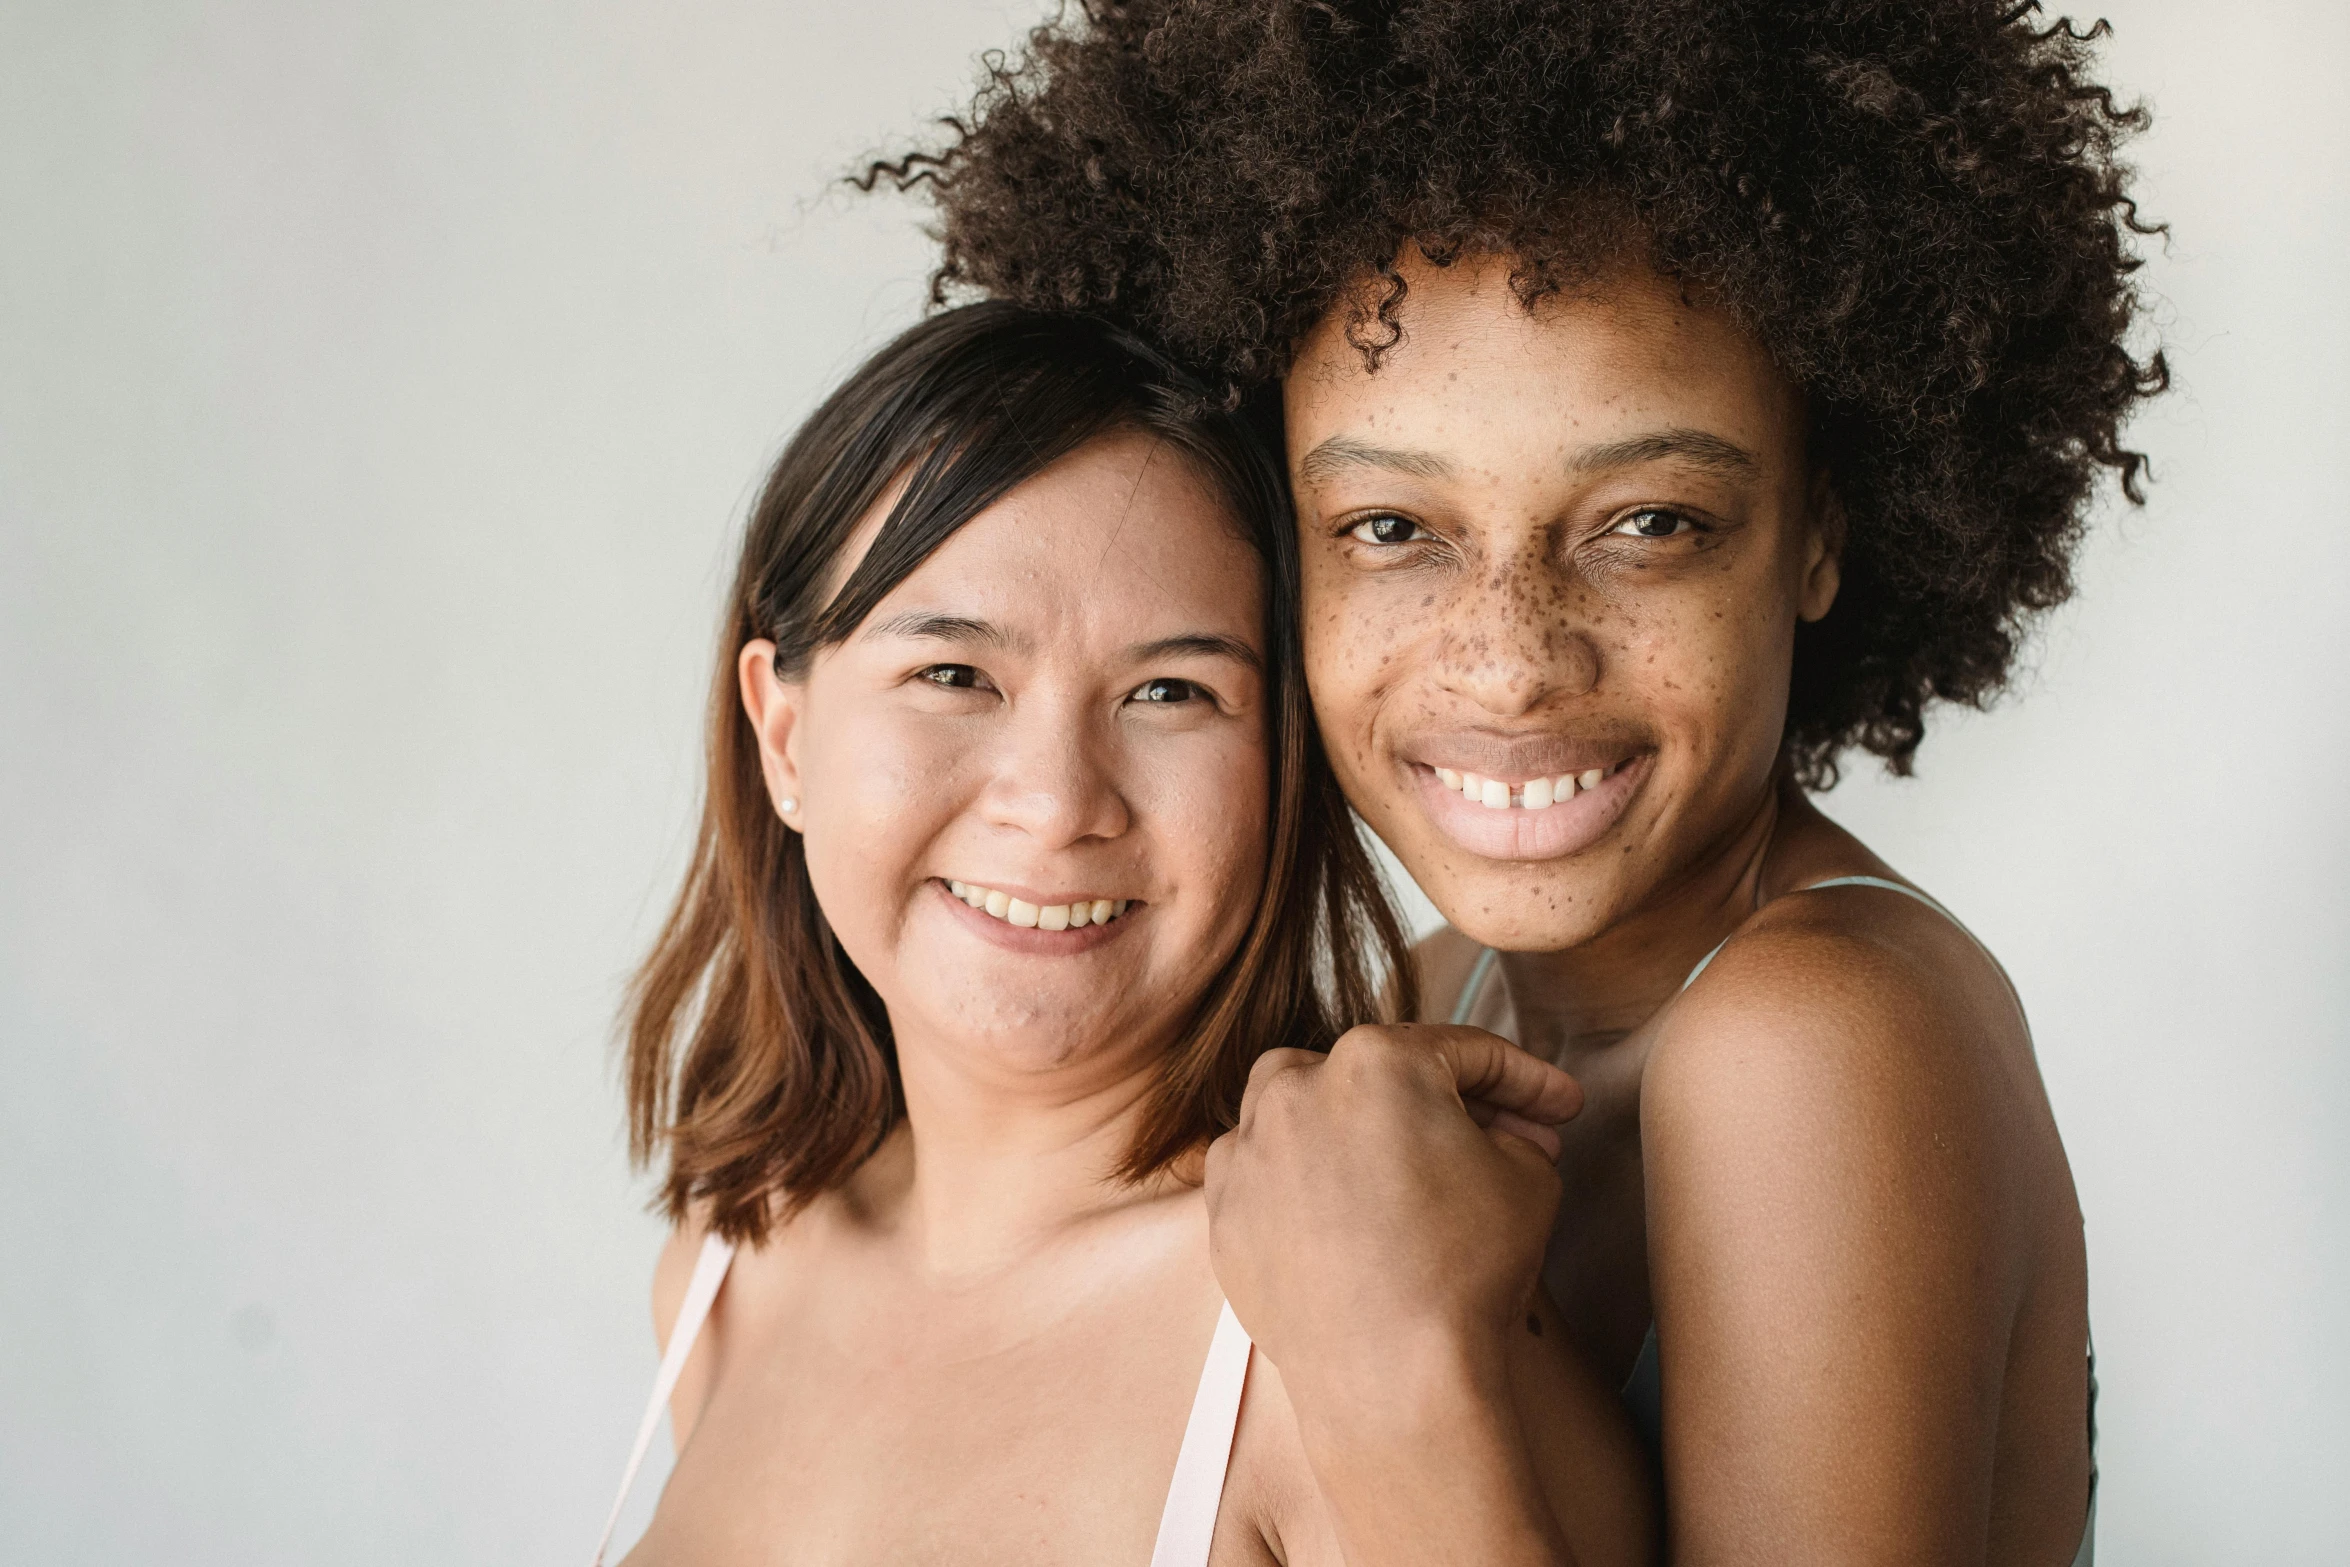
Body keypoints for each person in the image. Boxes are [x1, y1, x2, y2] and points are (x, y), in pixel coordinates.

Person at [886, 2, 2166, 1560]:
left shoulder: (1815, 1031)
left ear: (1821, 530)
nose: (1507, 663)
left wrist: (1391, 1370)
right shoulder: (1443, 994)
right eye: (1388, 529)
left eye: (1650, 523)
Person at [594, 303, 1654, 1566]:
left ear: (1284, 768)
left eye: (1171, 692)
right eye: (954, 676)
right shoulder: (725, 1268)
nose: (1055, 804)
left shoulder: (1357, 1325)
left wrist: (1402, 1366)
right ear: (783, 735)